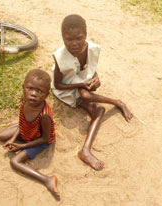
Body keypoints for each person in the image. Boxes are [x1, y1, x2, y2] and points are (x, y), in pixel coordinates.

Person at [52, 14, 133, 171]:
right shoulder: (60, 57)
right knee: (86, 95)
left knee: (99, 110)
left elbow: (92, 68)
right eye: (69, 39)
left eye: (79, 38)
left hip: (82, 81)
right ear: (62, 37)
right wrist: (82, 84)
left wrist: (96, 77)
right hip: (66, 89)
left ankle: (85, 150)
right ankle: (117, 102)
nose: (74, 43)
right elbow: (57, 85)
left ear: (86, 35)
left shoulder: (92, 48)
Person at [0, 69, 60, 200]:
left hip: (40, 139)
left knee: (15, 162)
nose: (33, 94)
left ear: (47, 94)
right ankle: (23, 134)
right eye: (30, 88)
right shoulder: (25, 101)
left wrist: (21, 147)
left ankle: (47, 180)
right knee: (2, 136)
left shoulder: (45, 116)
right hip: (27, 129)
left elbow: (45, 138)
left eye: (40, 91)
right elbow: (21, 122)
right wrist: (13, 139)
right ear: (23, 88)